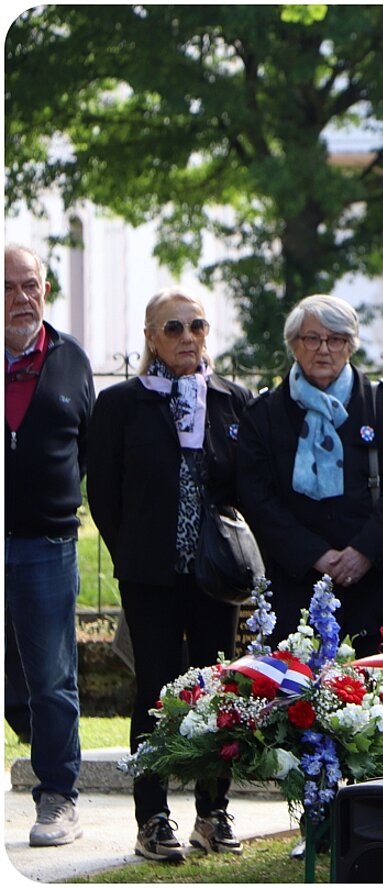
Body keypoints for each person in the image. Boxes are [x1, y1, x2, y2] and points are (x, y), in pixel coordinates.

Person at [87, 286, 253, 861]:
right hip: (150, 572)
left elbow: (247, 488)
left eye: (197, 326)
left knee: (217, 688)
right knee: (155, 688)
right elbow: (104, 494)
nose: (187, 337)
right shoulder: (121, 404)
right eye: (174, 327)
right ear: (151, 338)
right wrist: (133, 552)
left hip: (216, 574)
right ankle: (153, 818)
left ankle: (213, 811)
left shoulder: (232, 400)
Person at [237, 294, 383, 657]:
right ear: (294, 344)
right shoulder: (265, 414)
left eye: (336, 339)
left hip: (371, 586)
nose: (324, 349)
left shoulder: (382, 406)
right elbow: (255, 498)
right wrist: (316, 555)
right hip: (294, 586)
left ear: (350, 345)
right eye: (312, 338)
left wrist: (362, 553)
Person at [4, 243, 95, 848]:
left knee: (51, 678)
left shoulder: (71, 361)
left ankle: (58, 796)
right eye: (8, 287)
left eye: (30, 285)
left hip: (46, 543)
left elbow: (85, 447)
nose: (21, 298)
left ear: (45, 290)